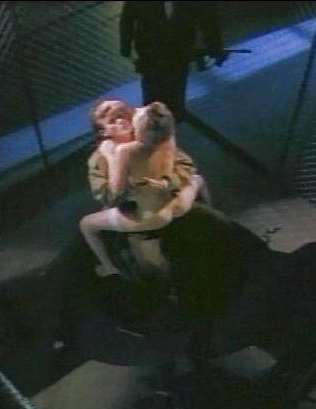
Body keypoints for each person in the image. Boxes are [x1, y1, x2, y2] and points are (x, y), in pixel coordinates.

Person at [82, 100, 209, 278]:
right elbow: (108, 197)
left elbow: (185, 165)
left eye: (122, 115)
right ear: (103, 132)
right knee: (151, 267)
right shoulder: (99, 160)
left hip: (170, 201)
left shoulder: (150, 137)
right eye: (111, 119)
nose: (120, 120)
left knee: (198, 186)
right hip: (137, 212)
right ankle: (112, 267)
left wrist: (168, 182)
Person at [120, 1, 226, 122]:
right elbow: (127, 19)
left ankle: (171, 119)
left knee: (174, 97)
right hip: (150, 54)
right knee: (153, 97)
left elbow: (208, 20)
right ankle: (155, 122)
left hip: (178, 53)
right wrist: (126, 48)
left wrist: (215, 48)